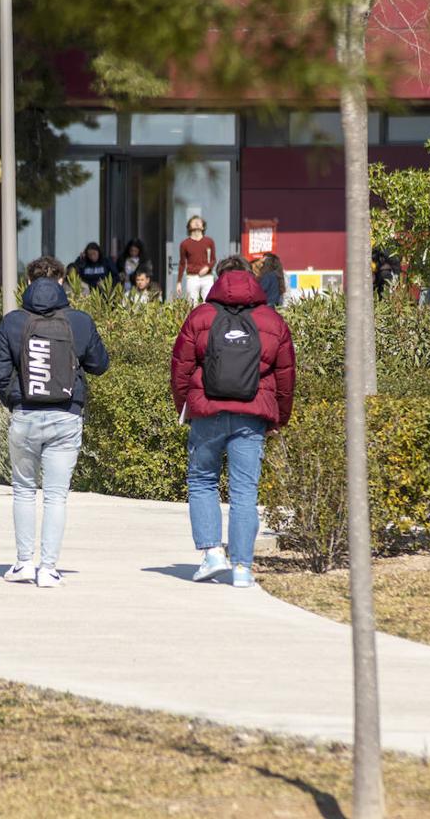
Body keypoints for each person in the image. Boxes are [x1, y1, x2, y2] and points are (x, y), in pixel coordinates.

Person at [170, 254, 296, 589]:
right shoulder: (272, 320)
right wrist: (278, 418)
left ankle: (212, 554)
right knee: (244, 492)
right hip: (252, 416)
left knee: (202, 482)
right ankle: (242, 568)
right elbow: (285, 376)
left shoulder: (201, 316)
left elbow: (180, 368)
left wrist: (185, 405)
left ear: (218, 280)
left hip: (207, 413)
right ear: (251, 279)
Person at [0, 255, 110, 588]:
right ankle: (49, 569)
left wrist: (16, 399)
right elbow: (100, 365)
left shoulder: (13, 322)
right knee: (56, 496)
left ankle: (24, 563)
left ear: (28, 283)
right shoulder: (79, 322)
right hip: (66, 416)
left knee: (24, 492)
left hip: (25, 416)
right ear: (61, 282)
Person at [176, 215, 217, 304]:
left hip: (207, 277)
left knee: (209, 303)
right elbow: (182, 263)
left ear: (203, 227)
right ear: (189, 226)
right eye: (194, 221)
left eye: (199, 221)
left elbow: (213, 260)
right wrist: (179, 282)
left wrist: (207, 267)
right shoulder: (185, 244)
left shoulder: (209, 241)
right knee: (192, 304)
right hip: (192, 277)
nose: (197, 222)